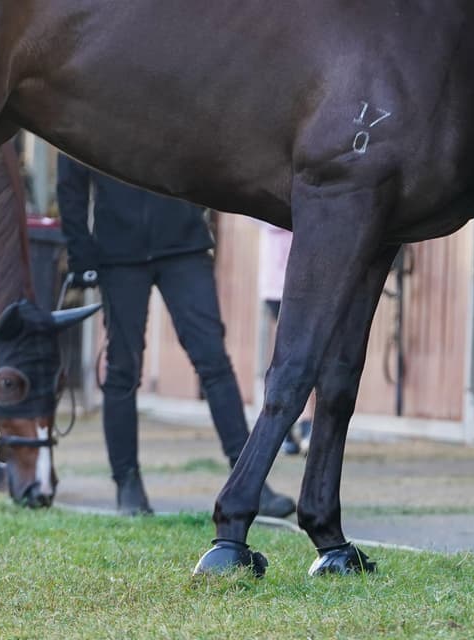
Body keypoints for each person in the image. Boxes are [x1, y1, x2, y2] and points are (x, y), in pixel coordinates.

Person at [56, 155, 296, 518]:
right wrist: (80, 251)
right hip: (119, 252)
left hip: (183, 245)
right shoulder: (93, 114)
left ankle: (250, 482)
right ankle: (128, 485)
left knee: (214, 362)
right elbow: (70, 172)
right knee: (122, 370)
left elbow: (208, 154)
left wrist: (194, 210)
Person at [257, 222, 314, 456]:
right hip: (277, 285)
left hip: (304, 282)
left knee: (302, 355)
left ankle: (299, 425)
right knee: (292, 356)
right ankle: (294, 425)